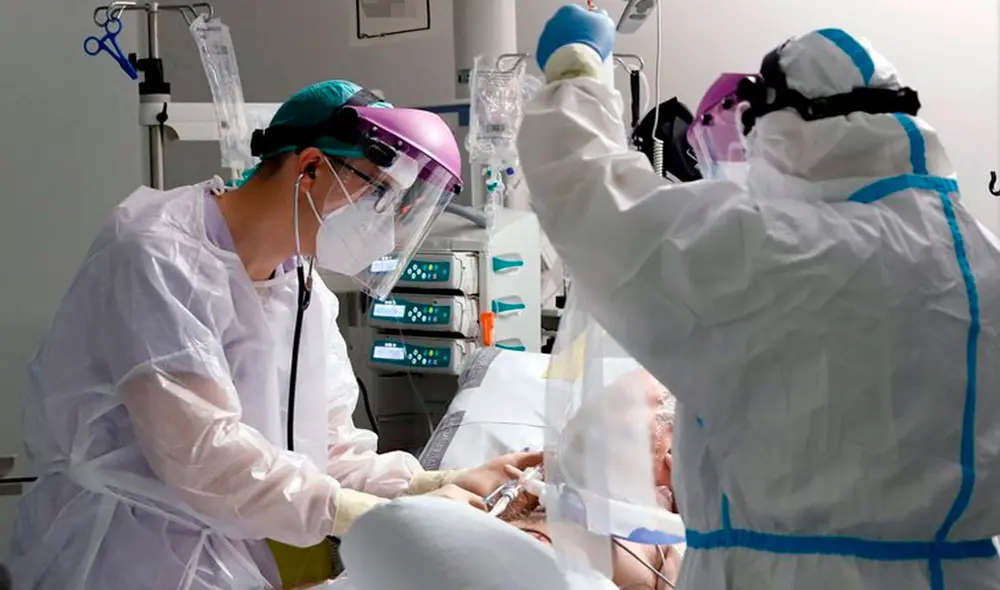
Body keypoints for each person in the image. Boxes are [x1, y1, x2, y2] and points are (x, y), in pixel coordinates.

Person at [517, 5, 1000, 589]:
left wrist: (578, 71)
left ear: (786, 128)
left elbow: (590, 195)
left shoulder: (771, 248)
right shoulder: (982, 257)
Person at [9, 79, 539, 590]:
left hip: (225, 551)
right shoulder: (155, 258)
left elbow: (327, 449)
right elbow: (203, 456)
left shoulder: (300, 285)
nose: (384, 221)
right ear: (309, 167)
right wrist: (390, 517)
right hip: (117, 555)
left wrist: (436, 485)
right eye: (378, 194)